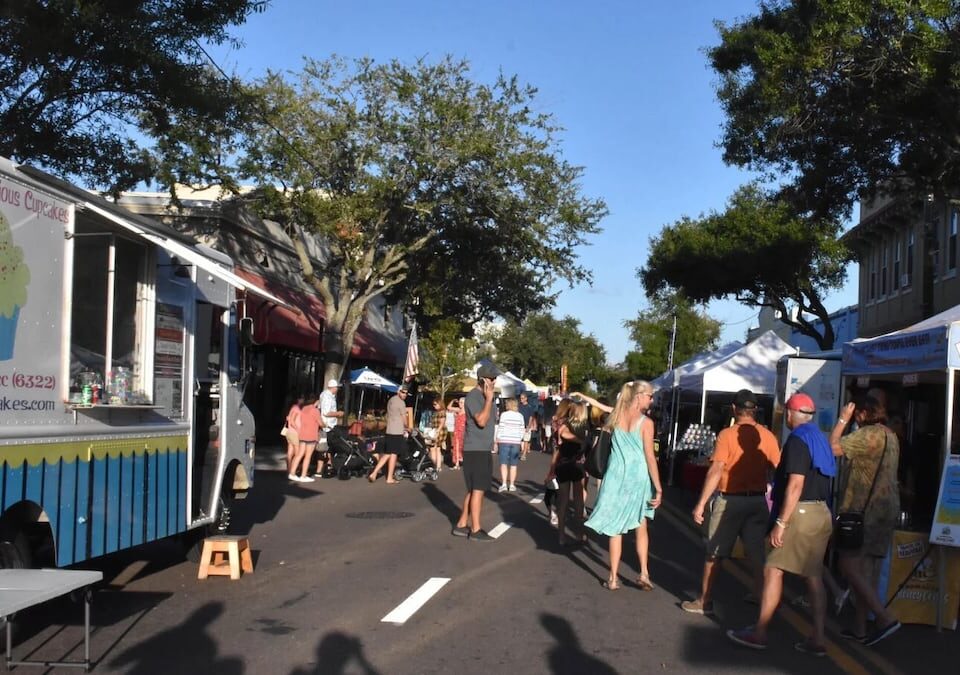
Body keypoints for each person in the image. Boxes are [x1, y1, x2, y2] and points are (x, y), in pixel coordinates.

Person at [727, 393, 835, 656]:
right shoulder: (820, 437)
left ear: (792, 413)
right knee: (813, 576)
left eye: (787, 411)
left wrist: (781, 522)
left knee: (773, 569)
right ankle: (818, 638)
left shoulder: (798, 441)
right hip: (821, 512)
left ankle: (760, 631)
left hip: (800, 512)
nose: (785, 416)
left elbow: (796, 484)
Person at [682, 389, 781, 615]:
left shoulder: (727, 435)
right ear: (755, 410)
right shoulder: (767, 436)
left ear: (734, 409)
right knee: (757, 553)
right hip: (757, 501)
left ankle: (704, 601)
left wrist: (701, 504)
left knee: (714, 552)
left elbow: (716, 469)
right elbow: (778, 467)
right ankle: (760, 594)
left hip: (730, 501)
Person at [829, 395, 902, 646]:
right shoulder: (891, 435)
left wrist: (842, 419)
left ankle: (884, 618)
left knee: (849, 567)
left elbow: (833, 448)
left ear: (862, 413)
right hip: (886, 510)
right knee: (867, 573)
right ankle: (860, 628)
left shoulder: (867, 434)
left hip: (863, 512)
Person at [585, 381, 662, 590]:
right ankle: (644, 573)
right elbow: (649, 456)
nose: (652, 399)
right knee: (640, 525)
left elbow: (604, 413)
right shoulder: (646, 423)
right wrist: (659, 486)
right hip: (637, 477)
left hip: (615, 475)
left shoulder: (616, 417)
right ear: (639, 396)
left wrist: (585, 398)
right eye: (650, 396)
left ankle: (612, 578)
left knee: (615, 529)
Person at [452, 362, 500, 541]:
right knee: (477, 490)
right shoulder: (474, 397)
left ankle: (462, 524)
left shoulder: (488, 396)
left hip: (483, 448)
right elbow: (480, 420)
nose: (494, 381)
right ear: (482, 380)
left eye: (495, 378)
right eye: (491, 378)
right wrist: (488, 400)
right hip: (475, 449)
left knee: (475, 490)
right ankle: (476, 529)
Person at [547, 400, 590, 546]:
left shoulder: (566, 424)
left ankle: (561, 535)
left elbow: (560, 440)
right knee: (578, 502)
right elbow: (564, 434)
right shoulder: (584, 428)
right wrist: (581, 441)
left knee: (563, 501)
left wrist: (552, 469)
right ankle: (579, 532)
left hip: (564, 465)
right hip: (577, 466)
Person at [368, 385, 409, 483]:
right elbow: (404, 419)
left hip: (389, 429)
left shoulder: (391, 400)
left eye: (406, 393)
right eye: (403, 392)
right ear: (398, 391)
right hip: (397, 430)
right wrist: (408, 427)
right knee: (392, 454)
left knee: (389, 453)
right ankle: (382, 475)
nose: (405, 395)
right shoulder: (401, 403)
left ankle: (381, 474)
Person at [315, 379, 344, 477]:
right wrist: (338, 413)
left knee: (325, 447)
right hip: (327, 426)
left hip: (327, 425)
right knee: (325, 447)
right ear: (333, 388)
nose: (338, 389)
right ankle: (325, 467)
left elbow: (319, 406)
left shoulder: (324, 395)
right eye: (337, 387)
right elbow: (326, 412)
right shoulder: (327, 397)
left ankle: (323, 468)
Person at [496, 398, 525, 492]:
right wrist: (519, 438)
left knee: (503, 463)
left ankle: (504, 483)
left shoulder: (504, 415)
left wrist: (498, 438)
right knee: (513, 464)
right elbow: (522, 428)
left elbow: (501, 427)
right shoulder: (520, 416)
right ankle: (512, 484)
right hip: (516, 441)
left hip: (504, 440)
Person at [293, 394, 320, 483]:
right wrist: (325, 424)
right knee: (308, 456)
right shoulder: (315, 410)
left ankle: (292, 473)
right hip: (311, 434)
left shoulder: (304, 409)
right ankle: (303, 475)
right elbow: (320, 422)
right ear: (316, 401)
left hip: (302, 433)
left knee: (300, 454)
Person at [284, 393, 304, 480]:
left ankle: (289, 470)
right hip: (295, 433)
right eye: (302, 399)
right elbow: (292, 420)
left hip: (289, 432)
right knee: (297, 453)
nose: (303, 400)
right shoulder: (296, 409)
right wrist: (298, 429)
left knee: (290, 452)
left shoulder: (293, 407)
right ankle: (293, 471)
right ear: (299, 399)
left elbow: (289, 419)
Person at [425, 397, 448, 473]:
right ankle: (437, 466)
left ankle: (434, 465)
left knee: (433, 448)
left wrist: (436, 432)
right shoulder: (437, 412)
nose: (434, 406)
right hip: (436, 431)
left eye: (435, 404)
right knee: (437, 449)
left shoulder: (442, 412)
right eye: (433, 404)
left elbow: (442, 423)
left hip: (438, 431)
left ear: (440, 404)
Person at [448, 397, 466, 470]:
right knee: (456, 446)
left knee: (463, 447)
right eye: (459, 402)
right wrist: (452, 401)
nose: (460, 404)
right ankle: (457, 463)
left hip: (464, 431)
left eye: (462, 402)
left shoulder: (467, 411)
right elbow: (448, 407)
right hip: (457, 430)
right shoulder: (458, 410)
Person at [518, 392, 536, 461]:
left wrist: (529, 426)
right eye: (520, 398)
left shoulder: (529, 407)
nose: (521, 400)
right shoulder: (519, 406)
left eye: (522, 398)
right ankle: (520, 452)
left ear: (526, 398)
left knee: (526, 440)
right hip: (520, 425)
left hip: (526, 425)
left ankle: (524, 454)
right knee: (519, 440)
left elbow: (531, 417)